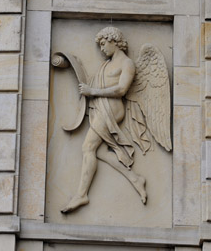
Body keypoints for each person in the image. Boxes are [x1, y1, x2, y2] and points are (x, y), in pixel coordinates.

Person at [61, 27, 147, 213]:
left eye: (103, 44)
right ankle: (135, 178)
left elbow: (121, 90)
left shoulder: (127, 63)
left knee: (87, 147)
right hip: (100, 108)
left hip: (112, 110)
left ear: (114, 40)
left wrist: (93, 92)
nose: (101, 49)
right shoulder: (106, 65)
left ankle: (82, 195)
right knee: (97, 152)